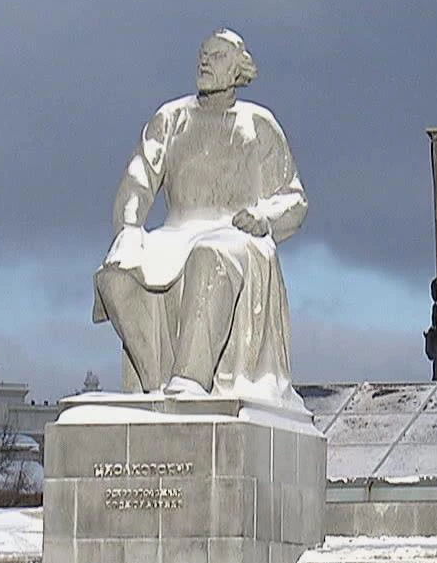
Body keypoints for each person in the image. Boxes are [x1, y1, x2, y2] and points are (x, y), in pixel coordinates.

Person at [94, 29, 308, 410]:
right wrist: (128, 229)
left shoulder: (258, 124)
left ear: (239, 68)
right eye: (203, 55)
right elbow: (137, 181)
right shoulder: (170, 118)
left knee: (210, 255)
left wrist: (264, 217)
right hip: (175, 232)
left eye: (218, 56)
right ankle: (156, 383)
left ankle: (191, 379)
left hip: (236, 235)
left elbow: (293, 198)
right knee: (116, 271)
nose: (205, 62)